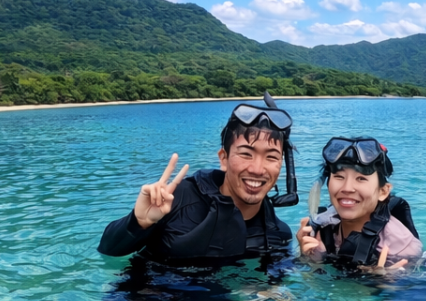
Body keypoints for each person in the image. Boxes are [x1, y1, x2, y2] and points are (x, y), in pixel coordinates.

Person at [98, 94, 298, 264]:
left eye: (271, 157)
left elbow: (272, 285)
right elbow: (108, 250)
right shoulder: (176, 200)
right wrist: (138, 222)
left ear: (281, 165)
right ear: (224, 158)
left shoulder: (277, 234)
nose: (257, 169)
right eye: (246, 154)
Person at [297, 137, 422, 269]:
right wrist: (307, 258)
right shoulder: (321, 226)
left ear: (383, 191)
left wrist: (384, 283)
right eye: (339, 177)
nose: (347, 188)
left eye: (361, 178)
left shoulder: (402, 248)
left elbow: (419, 286)